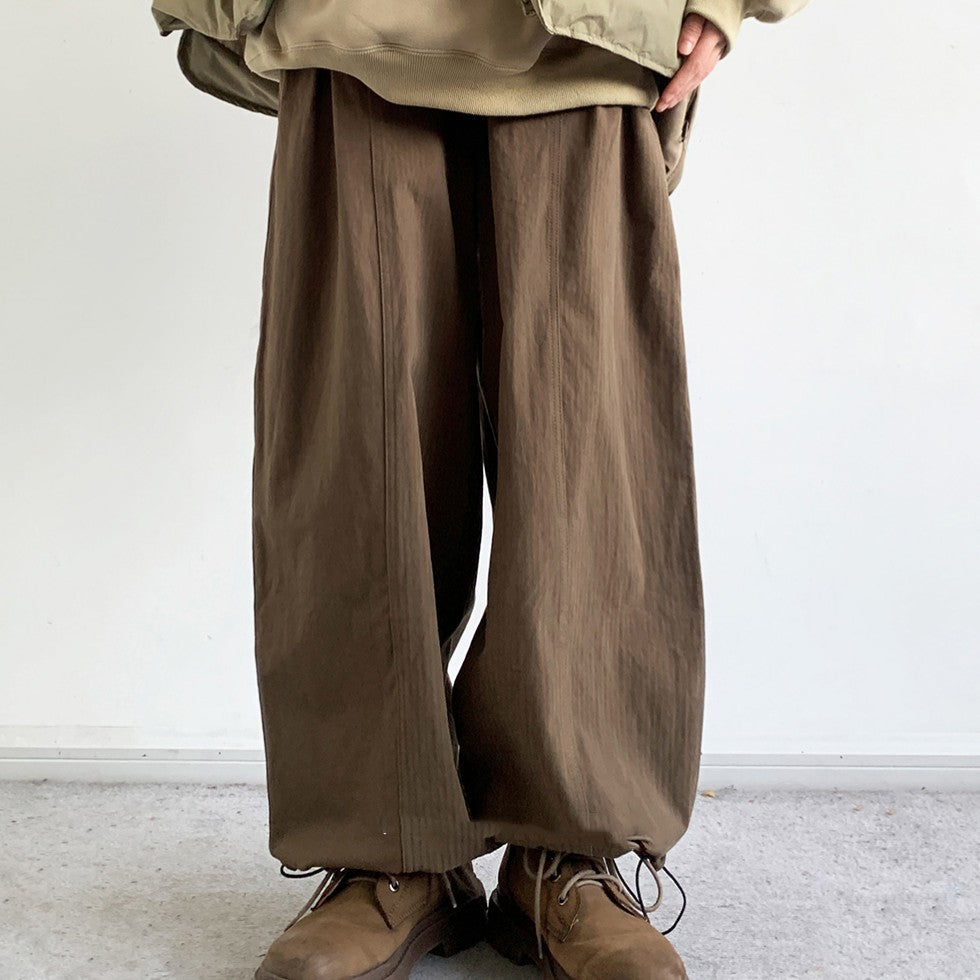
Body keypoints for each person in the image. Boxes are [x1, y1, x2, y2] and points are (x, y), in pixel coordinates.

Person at [151, 1, 810, 976]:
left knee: (590, 471)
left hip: (588, 34)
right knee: (356, 456)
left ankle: (566, 851)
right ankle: (385, 850)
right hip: (350, 27)